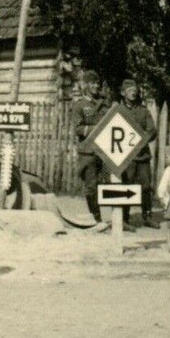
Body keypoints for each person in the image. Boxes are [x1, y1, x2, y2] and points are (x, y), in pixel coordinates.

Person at [118, 78, 157, 230]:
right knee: (126, 186)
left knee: (145, 187)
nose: (133, 93)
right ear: (123, 93)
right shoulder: (118, 111)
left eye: (135, 90)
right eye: (129, 90)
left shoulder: (143, 110)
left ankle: (147, 216)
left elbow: (152, 130)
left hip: (142, 156)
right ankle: (124, 219)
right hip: (126, 158)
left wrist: (139, 142)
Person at [72, 69, 108, 229]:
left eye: (97, 83)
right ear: (85, 85)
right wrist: (97, 129)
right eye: (92, 83)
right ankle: (96, 217)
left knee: (109, 183)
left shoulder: (104, 104)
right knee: (91, 187)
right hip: (88, 152)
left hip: (105, 150)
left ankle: (121, 219)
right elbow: (78, 129)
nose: (96, 86)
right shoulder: (80, 105)